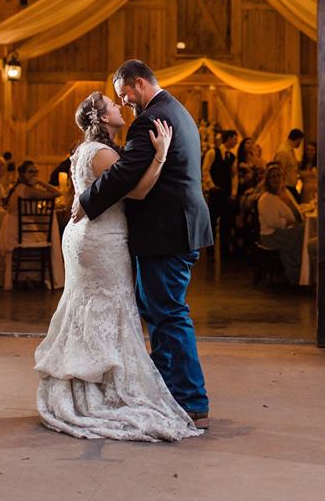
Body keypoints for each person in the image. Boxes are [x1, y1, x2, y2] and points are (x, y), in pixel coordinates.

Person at [34, 90, 202, 442]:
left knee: (90, 309)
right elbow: (136, 192)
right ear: (102, 118)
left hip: (88, 237)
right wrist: (160, 157)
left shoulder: (86, 151)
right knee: (110, 310)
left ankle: (84, 380)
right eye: (112, 104)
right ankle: (99, 391)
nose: (119, 105)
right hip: (102, 240)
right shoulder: (105, 154)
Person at [71, 60, 213, 429]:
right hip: (175, 228)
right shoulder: (174, 109)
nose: (125, 102)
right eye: (117, 100)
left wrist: (87, 200)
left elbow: (125, 174)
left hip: (167, 232)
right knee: (160, 311)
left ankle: (190, 400)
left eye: (124, 95)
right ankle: (170, 393)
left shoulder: (150, 119)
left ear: (138, 84)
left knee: (167, 312)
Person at [257, 162, 304, 285]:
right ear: (267, 180)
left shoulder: (286, 192)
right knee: (301, 234)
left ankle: (304, 274)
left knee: (305, 232)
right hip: (271, 235)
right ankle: (295, 274)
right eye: (273, 177)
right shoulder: (266, 198)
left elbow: (296, 210)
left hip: (287, 230)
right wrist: (290, 222)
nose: (276, 179)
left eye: (279, 175)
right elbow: (274, 222)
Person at [202, 129, 238, 258]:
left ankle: (224, 249)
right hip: (215, 192)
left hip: (226, 192)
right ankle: (210, 250)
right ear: (228, 138)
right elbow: (205, 170)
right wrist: (211, 186)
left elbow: (234, 175)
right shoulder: (212, 153)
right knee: (212, 220)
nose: (236, 141)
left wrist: (234, 192)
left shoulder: (232, 157)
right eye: (235, 138)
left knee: (226, 221)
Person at [273, 128, 304, 203]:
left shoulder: (290, 150)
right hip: (286, 187)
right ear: (298, 139)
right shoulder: (283, 152)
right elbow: (279, 170)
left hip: (290, 186)